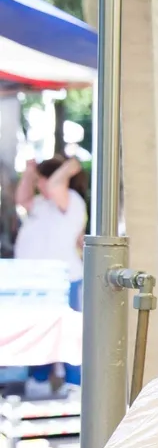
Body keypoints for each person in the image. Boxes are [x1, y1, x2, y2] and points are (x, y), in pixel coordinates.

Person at [15, 155, 90, 391]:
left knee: (67, 334)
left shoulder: (71, 201)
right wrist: (29, 172)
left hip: (63, 280)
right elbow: (22, 199)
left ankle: (74, 385)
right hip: (36, 282)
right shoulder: (41, 204)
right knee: (37, 332)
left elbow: (57, 184)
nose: (38, 186)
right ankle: (39, 380)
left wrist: (68, 167)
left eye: (41, 180)